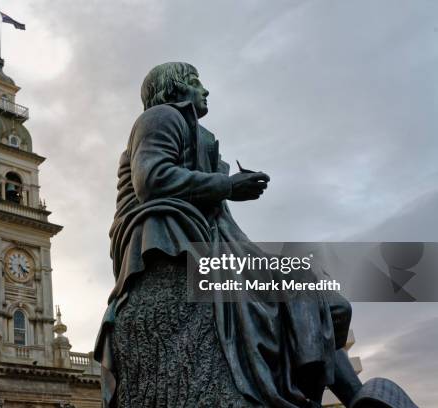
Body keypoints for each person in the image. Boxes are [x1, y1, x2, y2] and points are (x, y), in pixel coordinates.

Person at [94, 62, 396, 408]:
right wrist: (228, 185)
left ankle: (350, 397)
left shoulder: (202, 137)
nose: (205, 90)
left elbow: (222, 222)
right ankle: (344, 396)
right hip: (167, 239)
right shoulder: (161, 117)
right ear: (175, 88)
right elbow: (151, 179)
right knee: (299, 286)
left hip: (208, 241)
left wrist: (232, 196)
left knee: (328, 303)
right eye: (196, 82)